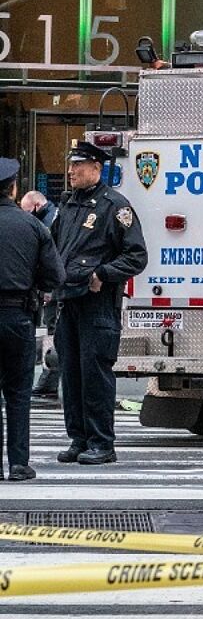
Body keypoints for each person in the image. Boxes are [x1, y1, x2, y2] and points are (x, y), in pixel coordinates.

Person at [51, 141, 147, 466]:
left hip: (98, 304)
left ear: (95, 167)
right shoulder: (67, 205)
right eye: (70, 165)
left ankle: (102, 443)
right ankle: (79, 439)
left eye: (78, 165)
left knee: (95, 374)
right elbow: (54, 249)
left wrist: (104, 273)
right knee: (71, 373)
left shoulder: (114, 206)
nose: (71, 171)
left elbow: (136, 255)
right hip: (68, 302)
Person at [0, 160, 64, 481]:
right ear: (13, 189)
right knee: (18, 392)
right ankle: (18, 463)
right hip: (18, 316)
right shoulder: (34, 227)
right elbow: (54, 276)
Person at [20, 190, 61, 400]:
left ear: (36, 206)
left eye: (27, 211)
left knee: (53, 334)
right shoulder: (55, 216)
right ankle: (48, 381)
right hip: (56, 287)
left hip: (54, 290)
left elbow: (49, 259)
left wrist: (48, 289)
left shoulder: (47, 224)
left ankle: (48, 382)